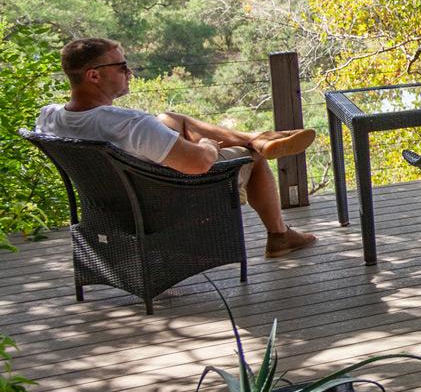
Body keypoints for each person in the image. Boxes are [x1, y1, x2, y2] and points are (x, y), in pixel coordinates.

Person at [35, 38, 319, 258]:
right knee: (251, 157)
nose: (129, 72)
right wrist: (207, 145)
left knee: (170, 118)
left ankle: (256, 137)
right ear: (94, 76)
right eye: (121, 67)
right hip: (170, 205)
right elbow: (199, 164)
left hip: (111, 211)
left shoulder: (49, 118)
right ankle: (279, 232)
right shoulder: (130, 124)